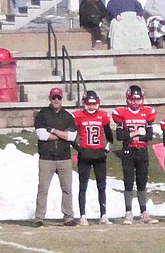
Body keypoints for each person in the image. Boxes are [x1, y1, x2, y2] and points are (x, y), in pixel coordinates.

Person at [111, 84, 158, 224]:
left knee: (142, 182)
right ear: (128, 99)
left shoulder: (147, 113)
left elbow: (149, 135)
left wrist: (133, 136)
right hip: (128, 151)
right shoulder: (121, 113)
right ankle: (128, 212)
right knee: (128, 182)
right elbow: (120, 135)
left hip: (142, 151)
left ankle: (144, 212)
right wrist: (136, 133)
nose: (135, 103)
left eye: (138, 100)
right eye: (133, 100)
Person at [34, 87, 78, 227]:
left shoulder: (67, 116)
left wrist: (53, 131)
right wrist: (62, 134)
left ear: (62, 99)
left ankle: (68, 217)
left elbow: (71, 136)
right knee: (43, 189)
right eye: (54, 98)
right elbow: (42, 135)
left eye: (58, 98)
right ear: (50, 98)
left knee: (67, 189)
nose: (56, 100)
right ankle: (39, 217)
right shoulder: (42, 114)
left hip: (64, 158)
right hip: (46, 158)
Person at [72, 90, 113, 225]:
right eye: (88, 104)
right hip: (85, 155)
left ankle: (103, 214)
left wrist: (106, 149)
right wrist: (79, 149)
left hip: (99, 155)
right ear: (84, 104)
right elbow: (71, 136)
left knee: (102, 186)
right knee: (83, 186)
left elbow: (110, 137)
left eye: (94, 104)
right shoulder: (78, 116)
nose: (91, 107)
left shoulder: (102, 116)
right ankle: (83, 214)